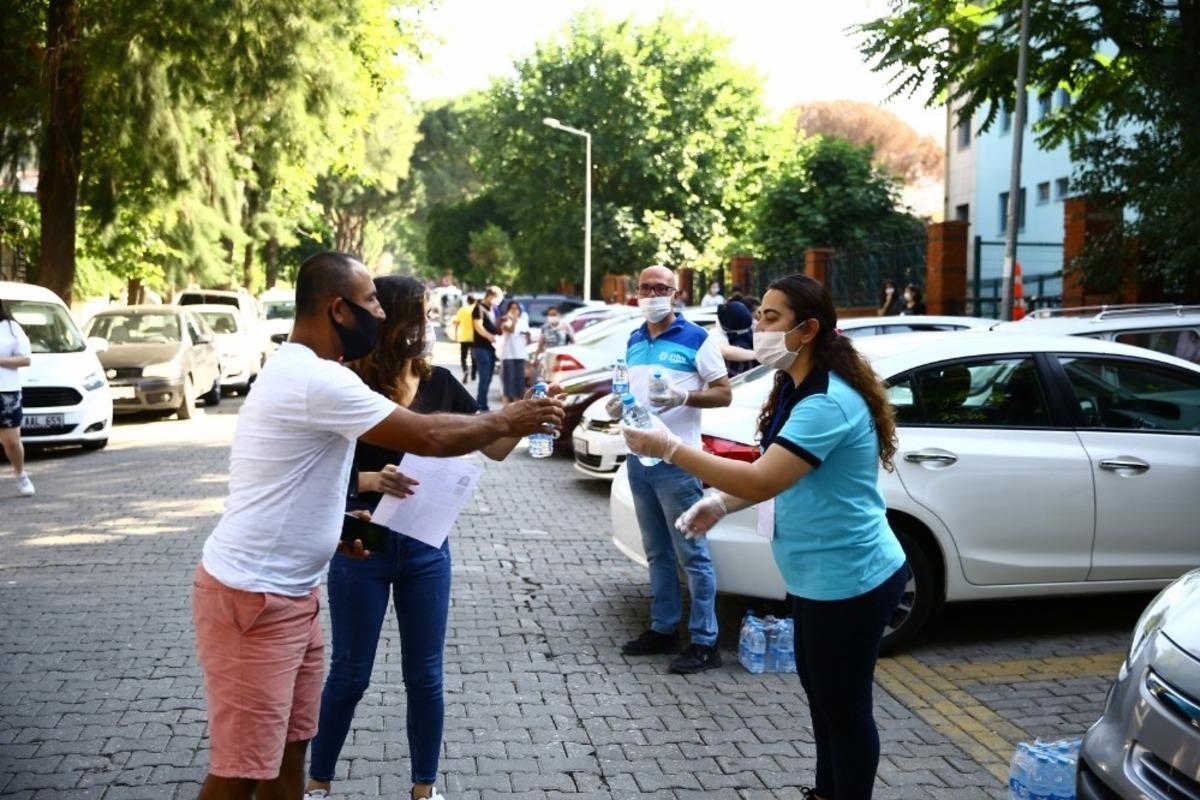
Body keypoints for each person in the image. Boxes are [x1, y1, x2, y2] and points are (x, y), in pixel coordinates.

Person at [192, 252, 563, 800]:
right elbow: (431, 436)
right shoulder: (317, 379)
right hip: (255, 599)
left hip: (293, 595)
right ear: (338, 310)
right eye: (371, 302)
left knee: (290, 749)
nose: (383, 316)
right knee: (242, 770)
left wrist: (340, 525)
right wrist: (509, 416)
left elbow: (309, 479)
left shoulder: (319, 374)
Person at [621, 273, 908, 800]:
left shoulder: (827, 401)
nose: (758, 327)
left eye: (771, 318)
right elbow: (774, 471)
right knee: (821, 698)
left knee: (844, 710)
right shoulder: (794, 386)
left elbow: (763, 478)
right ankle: (826, 792)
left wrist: (671, 449)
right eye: (758, 316)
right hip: (814, 576)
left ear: (808, 329)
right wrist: (720, 502)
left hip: (853, 578)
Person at [304, 276, 532, 800]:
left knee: (426, 677)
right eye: (418, 314)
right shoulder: (350, 385)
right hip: (362, 547)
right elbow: (315, 467)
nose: (426, 326)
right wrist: (368, 480)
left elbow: (494, 449)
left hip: (428, 547)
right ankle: (318, 784)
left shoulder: (443, 383)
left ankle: (424, 789)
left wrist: (527, 417)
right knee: (350, 675)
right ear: (389, 319)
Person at [604, 264, 732, 674]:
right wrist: (617, 404)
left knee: (692, 554)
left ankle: (705, 642)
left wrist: (683, 397)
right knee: (656, 551)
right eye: (645, 287)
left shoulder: (698, 338)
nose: (652, 294)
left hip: (678, 461)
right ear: (636, 292)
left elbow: (723, 394)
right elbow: (628, 391)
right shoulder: (634, 338)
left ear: (676, 294)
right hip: (639, 459)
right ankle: (663, 629)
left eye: (661, 288)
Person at [0, 300, 34, 497]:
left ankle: (20, 473)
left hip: (6, 391)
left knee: (11, 440)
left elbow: (25, 359)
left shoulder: (11, 328)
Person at [471, 288, 500, 410]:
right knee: (484, 377)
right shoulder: (479, 308)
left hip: (491, 348)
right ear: (489, 295)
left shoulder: (493, 309)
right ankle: (480, 405)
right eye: (497, 297)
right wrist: (490, 337)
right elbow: (478, 326)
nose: (498, 301)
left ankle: (483, 403)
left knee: (488, 378)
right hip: (481, 348)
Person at [712, 300, 757, 376]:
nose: (717, 321)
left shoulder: (738, 352)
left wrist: (756, 355)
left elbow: (725, 351)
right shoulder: (752, 338)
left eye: (719, 318)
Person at [498, 300, 527, 406]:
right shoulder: (505, 321)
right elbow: (510, 330)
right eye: (512, 308)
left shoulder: (523, 322)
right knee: (508, 383)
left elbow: (526, 336)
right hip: (508, 356)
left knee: (519, 384)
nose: (515, 310)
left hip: (520, 355)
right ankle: (505, 407)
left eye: (516, 308)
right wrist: (513, 320)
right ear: (508, 310)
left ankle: (517, 406)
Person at [452, 295, 476, 382]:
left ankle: (465, 371)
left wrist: (455, 335)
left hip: (464, 336)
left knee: (463, 357)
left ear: (467, 301)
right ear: (475, 301)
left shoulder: (462, 310)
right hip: (474, 337)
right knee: (474, 356)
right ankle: (473, 374)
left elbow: (456, 322)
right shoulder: (476, 309)